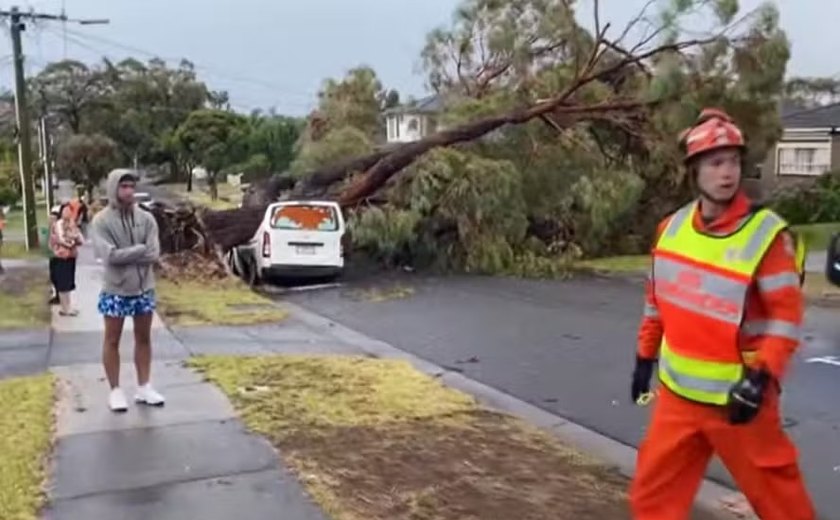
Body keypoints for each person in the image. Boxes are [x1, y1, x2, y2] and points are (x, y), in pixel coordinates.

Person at [628, 108, 815, 520]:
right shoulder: (670, 229)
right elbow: (656, 299)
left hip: (741, 403)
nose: (727, 172)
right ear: (695, 171)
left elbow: (785, 321)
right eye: (715, 163)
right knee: (651, 500)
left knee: (784, 507)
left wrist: (761, 376)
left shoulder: (765, 237)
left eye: (733, 161)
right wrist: (645, 356)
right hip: (678, 400)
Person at [91, 170, 164, 412]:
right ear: (114, 189)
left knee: (143, 338)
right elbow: (109, 256)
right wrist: (139, 250)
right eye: (123, 187)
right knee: (112, 340)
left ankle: (144, 386)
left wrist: (135, 252)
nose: (129, 191)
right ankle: (115, 390)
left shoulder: (146, 219)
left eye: (132, 186)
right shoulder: (101, 221)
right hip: (115, 289)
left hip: (144, 288)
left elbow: (154, 253)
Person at [52, 203, 84, 316]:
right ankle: (64, 308)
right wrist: (72, 240)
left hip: (71, 256)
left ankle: (68, 306)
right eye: (65, 211)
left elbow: (80, 238)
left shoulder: (72, 224)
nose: (67, 213)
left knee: (69, 282)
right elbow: (61, 239)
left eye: (69, 211)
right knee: (62, 283)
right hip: (61, 256)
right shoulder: (58, 224)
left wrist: (74, 238)